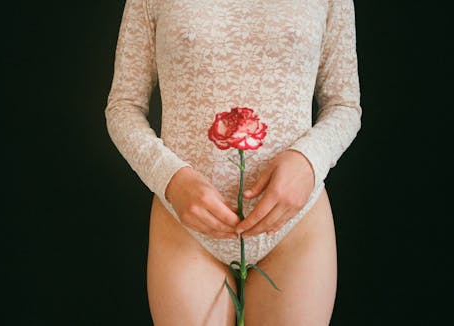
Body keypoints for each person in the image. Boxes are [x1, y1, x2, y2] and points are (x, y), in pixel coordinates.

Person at [104, 0, 362, 324]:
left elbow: (345, 104)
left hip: (295, 224)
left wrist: (309, 160)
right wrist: (169, 177)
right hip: (185, 225)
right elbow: (123, 107)